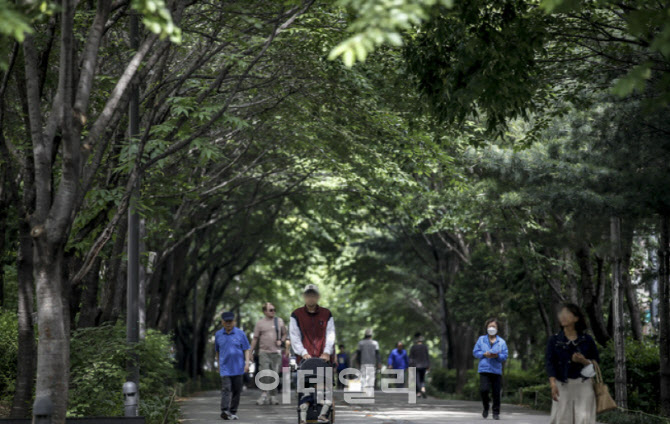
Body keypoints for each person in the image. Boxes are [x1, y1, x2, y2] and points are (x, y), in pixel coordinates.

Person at [290, 284, 336, 424]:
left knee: (324, 388)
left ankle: (324, 416)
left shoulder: (326, 314)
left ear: (318, 297)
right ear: (304, 296)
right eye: (308, 295)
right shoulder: (296, 314)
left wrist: (327, 351)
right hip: (305, 360)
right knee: (306, 390)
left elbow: (330, 334)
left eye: (313, 295)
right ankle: (305, 418)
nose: (311, 297)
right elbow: (294, 336)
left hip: (324, 359)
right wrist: (303, 352)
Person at [546, 303, 599, 424]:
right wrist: (553, 384)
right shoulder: (554, 340)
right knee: (562, 419)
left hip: (583, 384)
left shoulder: (587, 340)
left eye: (567, 314)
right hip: (562, 385)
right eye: (561, 314)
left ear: (576, 318)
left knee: (583, 420)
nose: (563, 316)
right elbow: (550, 363)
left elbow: (596, 363)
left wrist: (583, 361)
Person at [214, 312, 251, 421]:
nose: (228, 324)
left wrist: (247, 363)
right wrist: (218, 365)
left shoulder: (240, 334)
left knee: (236, 390)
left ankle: (233, 411)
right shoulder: (218, 334)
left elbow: (246, 349)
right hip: (225, 368)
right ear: (222, 322)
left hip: (238, 368)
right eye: (226, 322)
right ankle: (225, 410)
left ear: (234, 321)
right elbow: (217, 351)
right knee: (226, 388)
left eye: (230, 321)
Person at [250, 302, 287, 405]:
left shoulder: (279, 321)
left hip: (276, 353)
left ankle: (273, 396)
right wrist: (250, 352)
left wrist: (281, 340)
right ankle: (264, 394)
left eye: (274, 309)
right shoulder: (259, 323)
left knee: (274, 375)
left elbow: (284, 334)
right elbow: (255, 338)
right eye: (271, 310)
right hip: (264, 352)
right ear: (265, 311)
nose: (273, 311)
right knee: (265, 373)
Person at [473, 318, 508, 420]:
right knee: (484, 390)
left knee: (496, 392)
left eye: (494, 327)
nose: (492, 328)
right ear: (486, 328)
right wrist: (484, 354)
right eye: (490, 326)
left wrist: (497, 356)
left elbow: (504, 356)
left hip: (496, 370)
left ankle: (496, 412)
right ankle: (486, 407)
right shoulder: (481, 339)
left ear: (497, 328)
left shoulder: (501, 342)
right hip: (484, 369)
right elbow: (475, 352)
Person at [356, 328, 381, 395]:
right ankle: (369, 392)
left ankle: (363, 390)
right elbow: (377, 354)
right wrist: (379, 362)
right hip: (372, 363)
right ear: (371, 335)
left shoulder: (361, 343)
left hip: (363, 362)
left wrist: (358, 362)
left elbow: (358, 354)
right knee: (371, 378)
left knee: (363, 377)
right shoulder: (375, 343)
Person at [409, 333, 430, 398]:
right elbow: (427, 357)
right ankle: (423, 389)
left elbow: (411, 358)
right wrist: (428, 365)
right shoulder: (425, 347)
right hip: (424, 365)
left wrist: (410, 366)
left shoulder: (413, 347)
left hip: (416, 365)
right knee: (422, 379)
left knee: (417, 379)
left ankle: (418, 392)